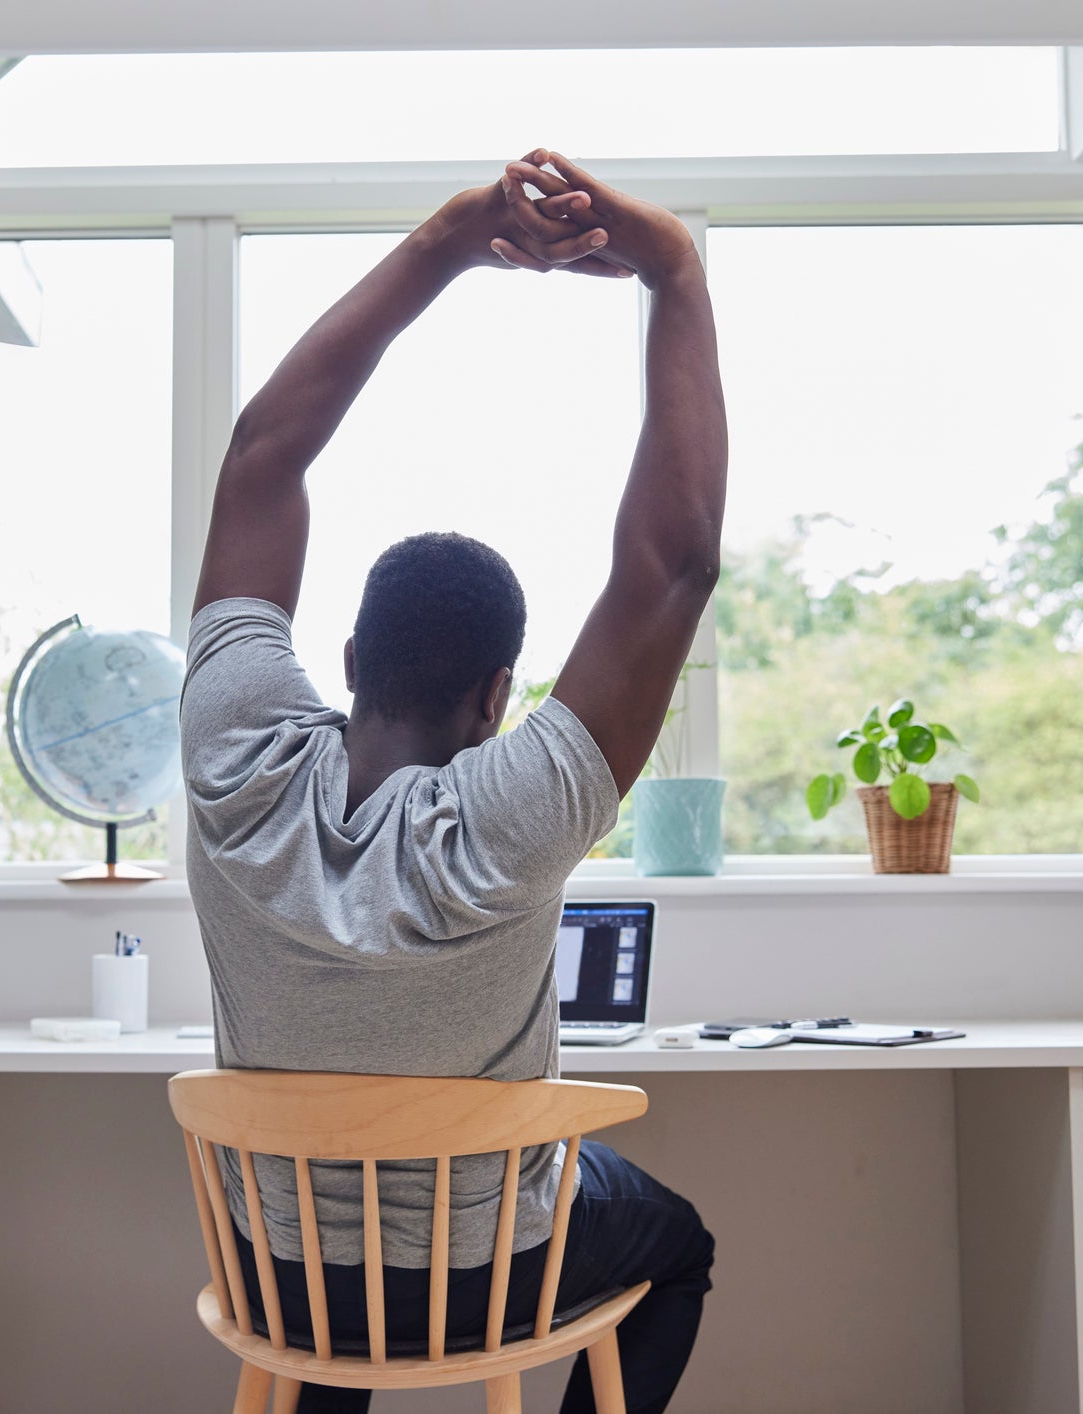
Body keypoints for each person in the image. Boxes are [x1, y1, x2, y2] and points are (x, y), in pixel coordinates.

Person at [179, 149, 728, 1414]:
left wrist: (448, 240)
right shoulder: (514, 816)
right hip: (491, 1282)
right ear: (499, 699)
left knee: (343, 1257)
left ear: (350, 656)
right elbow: (674, 567)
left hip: (282, 1278)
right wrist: (675, 272)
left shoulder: (232, 756)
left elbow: (265, 454)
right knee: (676, 1244)